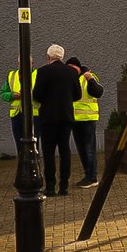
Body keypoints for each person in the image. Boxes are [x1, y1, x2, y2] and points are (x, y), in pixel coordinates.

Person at [32, 44, 81, 197]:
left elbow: (37, 95)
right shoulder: (71, 72)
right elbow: (78, 95)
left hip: (48, 117)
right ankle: (64, 186)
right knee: (65, 150)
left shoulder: (43, 71)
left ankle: (50, 187)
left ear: (48, 57)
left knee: (48, 151)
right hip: (66, 116)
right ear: (62, 57)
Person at [66, 57, 104, 187]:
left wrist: (90, 78)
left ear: (78, 67)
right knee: (82, 150)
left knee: (89, 149)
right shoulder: (71, 79)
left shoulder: (88, 77)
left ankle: (92, 177)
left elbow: (98, 92)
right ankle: (88, 175)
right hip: (75, 119)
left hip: (88, 119)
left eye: (72, 67)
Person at [1, 57, 41, 154]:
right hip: (16, 114)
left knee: (33, 142)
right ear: (18, 64)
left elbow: (42, 94)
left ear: (32, 63)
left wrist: (27, 94)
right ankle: (21, 163)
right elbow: (3, 93)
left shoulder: (37, 75)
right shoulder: (12, 75)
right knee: (19, 143)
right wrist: (12, 95)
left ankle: (35, 164)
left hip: (33, 114)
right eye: (21, 63)